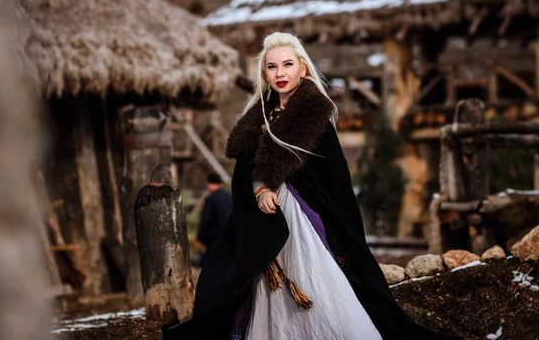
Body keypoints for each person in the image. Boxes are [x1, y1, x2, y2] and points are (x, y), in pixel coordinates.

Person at [163, 32, 461, 340]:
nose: (280, 73)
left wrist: (338, 236)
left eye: (287, 65)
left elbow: (334, 183)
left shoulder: (316, 115)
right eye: (272, 67)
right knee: (260, 293)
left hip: (304, 223)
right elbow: (245, 172)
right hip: (262, 219)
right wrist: (259, 189)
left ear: (302, 69)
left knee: (318, 290)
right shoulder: (257, 117)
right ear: (264, 73)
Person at [195, 173, 233, 266]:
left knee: (213, 262)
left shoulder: (211, 198)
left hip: (213, 235)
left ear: (210, 184)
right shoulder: (229, 197)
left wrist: (200, 238)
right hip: (230, 232)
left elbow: (205, 219)